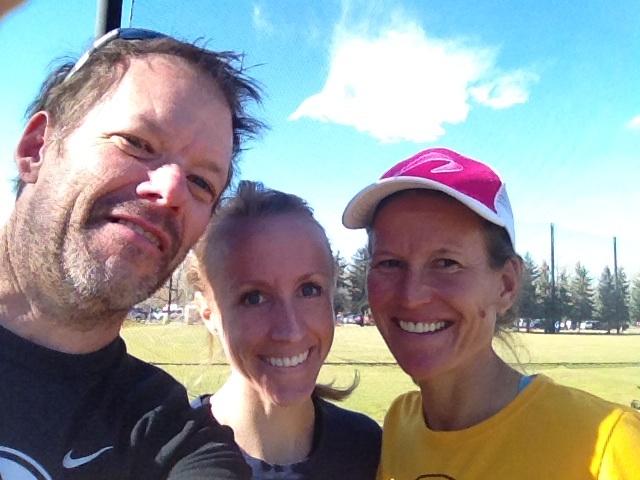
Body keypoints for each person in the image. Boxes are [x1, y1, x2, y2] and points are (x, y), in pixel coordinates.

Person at [0, 28, 263, 479]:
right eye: (137, 143)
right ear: (35, 148)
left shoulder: (174, 440)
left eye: (202, 182)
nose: (171, 190)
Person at [342, 147, 640, 479]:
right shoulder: (400, 424)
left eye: (446, 263)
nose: (411, 296)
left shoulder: (608, 443)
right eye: (389, 263)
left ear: (507, 285)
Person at [189, 180, 381, 479]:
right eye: (254, 297)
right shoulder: (164, 455)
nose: (290, 331)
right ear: (208, 314)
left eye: (309, 290)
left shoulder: (370, 450)